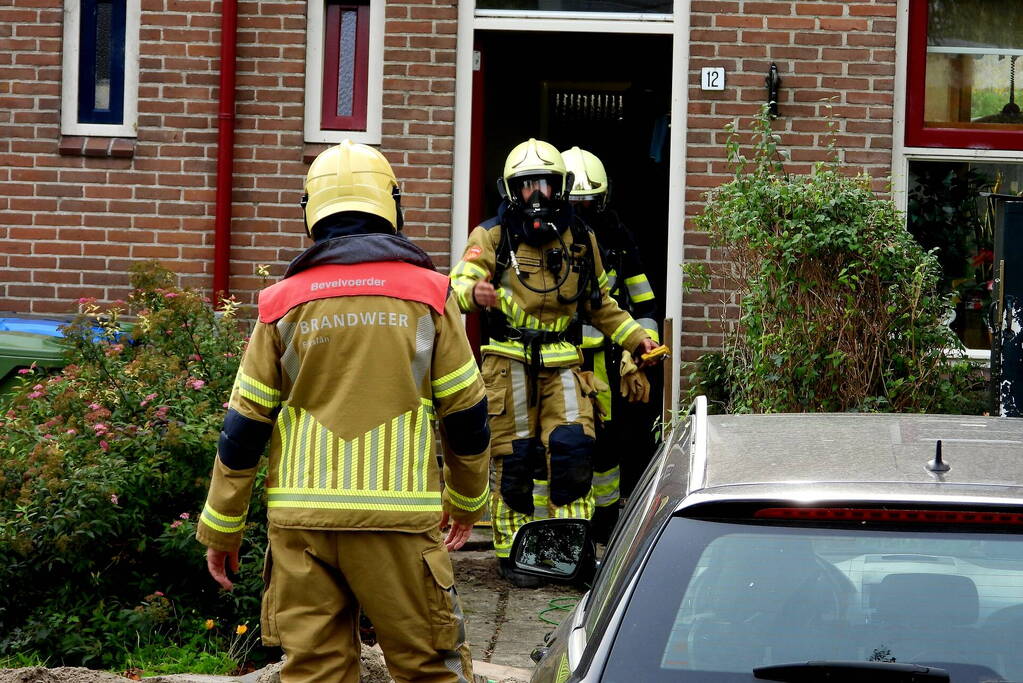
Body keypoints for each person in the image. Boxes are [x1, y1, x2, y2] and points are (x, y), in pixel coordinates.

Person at [196, 140, 490, 683]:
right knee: (429, 667)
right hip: (398, 525)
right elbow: (466, 414)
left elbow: (243, 428)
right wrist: (468, 500)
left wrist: (222, 527)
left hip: (301, 528)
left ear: (311, 210)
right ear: (392, 206)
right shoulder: (431, 295)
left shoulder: (281, 302)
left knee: (316, 672)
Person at [449, 138, 659, 587]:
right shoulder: (492, 235)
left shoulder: (581, 238)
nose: (537, 195)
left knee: (573, 452)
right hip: (508, 363)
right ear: (512, 191)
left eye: (544, 184)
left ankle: (568, 553)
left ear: (559, 186)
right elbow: (459, 282)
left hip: (564, 363)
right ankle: (515, 555)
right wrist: (473, 293)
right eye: (527, 186)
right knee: (515, 460)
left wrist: (637, 339)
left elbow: (601, 304)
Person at [561, 146, 660, 545]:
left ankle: (604, 524)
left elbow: (643, 299)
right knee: (566, 440)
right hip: (561, 359)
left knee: (608, 445)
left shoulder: (618, 237)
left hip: (606, 358)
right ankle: (566, 526)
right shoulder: (544, 241)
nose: (583, 213)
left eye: (590, 203)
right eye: (575, 204)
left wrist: (643, 349)